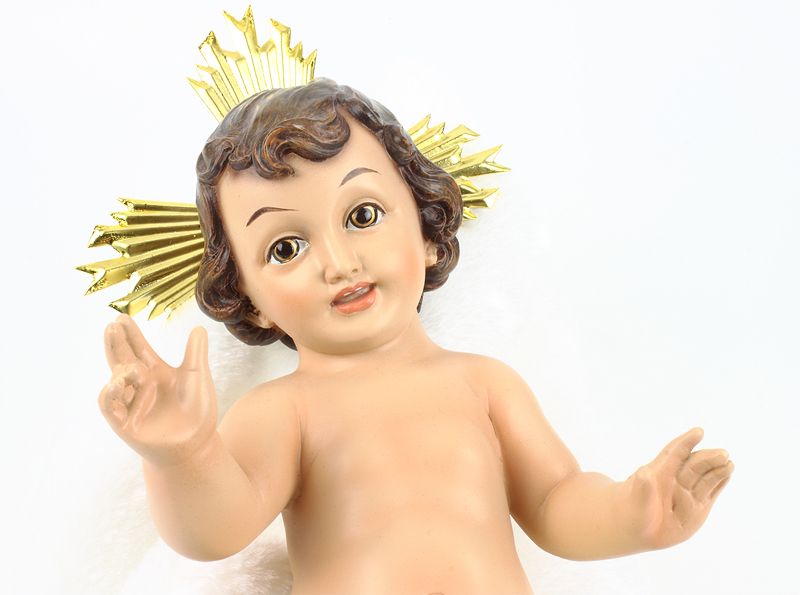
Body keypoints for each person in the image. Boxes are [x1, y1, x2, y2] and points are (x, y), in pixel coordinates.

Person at [99, 79, 734, 594]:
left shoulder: (484, 384)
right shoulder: (283, 411)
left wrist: (632, 512)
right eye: (286, 247)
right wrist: (182, 455)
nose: (339, 262)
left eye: (362, 215)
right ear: (250, 299)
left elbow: (555, 502)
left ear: (427, 229)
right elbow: (218, 532)